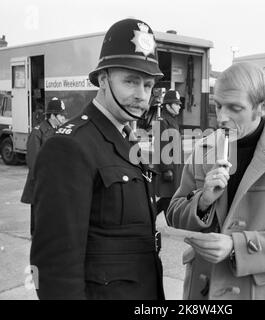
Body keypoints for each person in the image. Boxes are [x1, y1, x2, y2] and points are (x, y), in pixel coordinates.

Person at [30, 19, 165, 300]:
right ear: (103, 79)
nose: (141, 95)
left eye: (148, 85)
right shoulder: (70, 146)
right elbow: (56, 267)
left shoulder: (126, 138)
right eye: (130, 81)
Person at [166, 62, 265, 300]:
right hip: (203, 290)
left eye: (235, 108)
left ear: (263, 107)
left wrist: (235, 247)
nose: (222, 118)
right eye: (218, 106)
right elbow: (173, 215)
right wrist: (203, 201)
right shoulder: (204, 149)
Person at [21, 97, 66, 236]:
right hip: (40, 182)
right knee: (38, 219)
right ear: (52, 115)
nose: (64, 118)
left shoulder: (58, 131)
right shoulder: (38, 132)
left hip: (54, 182)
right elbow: (33, 162)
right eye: (61, 115)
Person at [155, 89, 182, 215]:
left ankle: (149, 218)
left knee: (169, 197)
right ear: (168, 105)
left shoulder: (171, 120)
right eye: (176, 104)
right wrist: (166, 169)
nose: (179, 107)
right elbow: (161, 145)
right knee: (168, 197)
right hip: (168, 166)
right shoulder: (162, 121)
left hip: (174, 166)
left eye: (179, 104)